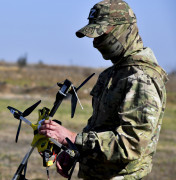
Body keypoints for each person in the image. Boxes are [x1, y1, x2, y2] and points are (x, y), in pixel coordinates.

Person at [39, 0, 168, 179]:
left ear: (123, 29)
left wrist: (73, 138)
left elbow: (131, 144)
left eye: (101, 35)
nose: (96, 44)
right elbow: (99, 128)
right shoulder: (112, 74)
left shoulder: (141, 78)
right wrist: (75, 150)